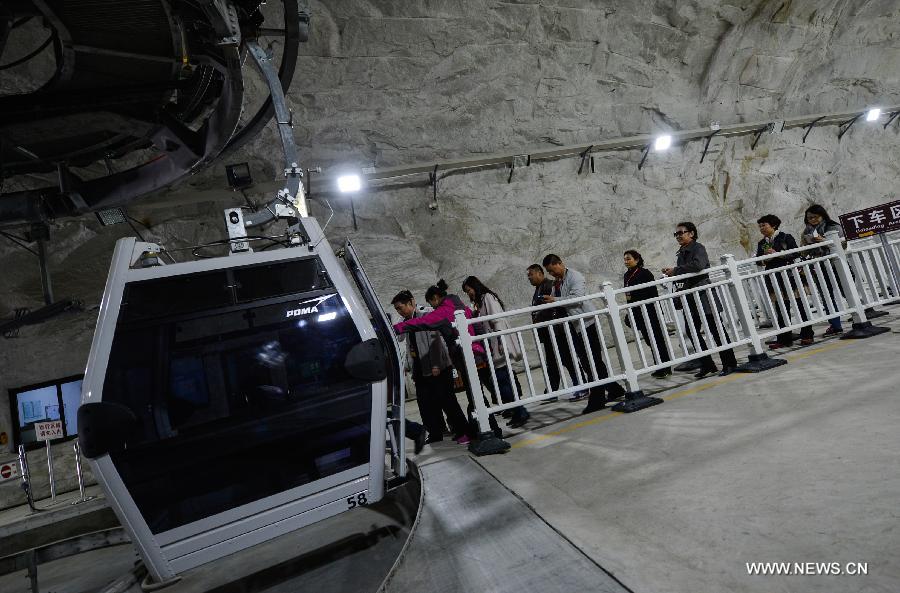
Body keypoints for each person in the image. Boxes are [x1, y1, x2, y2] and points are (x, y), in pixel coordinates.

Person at [393, 280, 503, 439]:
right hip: (473, 355)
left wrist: (397, 328)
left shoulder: (443, 310)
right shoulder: (459, 306)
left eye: (432, 302)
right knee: (476, 397)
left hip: (466, 356)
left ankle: (480, 432)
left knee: (471, 398)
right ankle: (485, 431)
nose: (433, 306)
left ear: (436, 298)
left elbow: (426, 325)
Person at [541, 254, 627, 415]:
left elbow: (577, 298)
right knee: (590, 361)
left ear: (560, 263)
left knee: (591, 361)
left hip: (586, 323)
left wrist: (555, 300)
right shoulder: (557, 282)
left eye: (553, 270)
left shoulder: (575, 276)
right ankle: (614, 389)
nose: (552, 274)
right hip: (574, 326)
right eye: (549, 272)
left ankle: (597, 398)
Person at [661, 222, 738, 378]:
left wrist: (676, 270)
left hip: (703, 295)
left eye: (682, 232)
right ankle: (707, 364)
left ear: (692, 233)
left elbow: (699, 265)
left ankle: (730, 363)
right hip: (690, 297)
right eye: (676, 234)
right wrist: (678, 294)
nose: (679, 236)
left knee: (716, 330)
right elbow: (682, 278)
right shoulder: (681, 253)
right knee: (692, 331)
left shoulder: (698, 248)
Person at [391, 290, 469, 444]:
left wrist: (435, 364)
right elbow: (404, 342)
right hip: (420, 366)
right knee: (425, 403)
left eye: (401, 307)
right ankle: (436, 432)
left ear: (411, 303)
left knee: (447, 400)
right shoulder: (407, 320)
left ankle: (463, 430)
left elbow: (435, 341)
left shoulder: (426, 315)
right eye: (397, 309)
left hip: (437, 365)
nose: (399, 311)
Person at [461, 276, 530, 428]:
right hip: (493, 345)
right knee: (503, 379)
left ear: (475, 287)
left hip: (498, 343)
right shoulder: (480, 302)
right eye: (467, 292)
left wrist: (499, 341)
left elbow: (496, 319)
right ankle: (518, 410)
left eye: (469, 290)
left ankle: (520, 410)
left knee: (501, 379)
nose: (469, 294)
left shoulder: (488, 297)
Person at [755, 215, 813, 347]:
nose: (761, 228)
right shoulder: (761, 243)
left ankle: (808, 335)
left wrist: (778, 253)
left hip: (790, 276)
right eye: (760, 226)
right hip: (774, 278)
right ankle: (784, 339)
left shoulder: (786, 237)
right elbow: (758, 260)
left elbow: (796, 253)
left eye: (764, 225)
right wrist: (765, 259)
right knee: (781, 309)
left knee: (800, 305)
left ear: (773, 225)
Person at [527, 264, 582, 398]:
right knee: (552, 362)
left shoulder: (548, 286)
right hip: (548, 332)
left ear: (540, 273)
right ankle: (552, 390)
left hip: (557, 331)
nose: (529, 278)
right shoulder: (539, 288)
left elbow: (553, 309)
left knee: (567, 359)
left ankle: (581, 384)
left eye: (531, 275)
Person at [622, 250, 672, 378]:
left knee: (657, 339)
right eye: (625, 259)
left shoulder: (645, 273)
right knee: (650, 340)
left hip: (649, 310)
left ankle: (666, 367)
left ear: (637, 260)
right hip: (637, 311)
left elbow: (652, 293)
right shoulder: (627, 275)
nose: (626, 261)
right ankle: (659, 365)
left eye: (629, 259)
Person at [800, 204, 844, 336]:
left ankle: (860, 314)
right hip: (818, 267)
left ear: (822, 215)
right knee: (826, 296)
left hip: (836, 264)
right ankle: (835, 325)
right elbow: (802, 251)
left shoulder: (833, 227)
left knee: (846, 291)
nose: (812, 220)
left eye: (815, 217)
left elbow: (842, 244)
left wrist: (824, 240)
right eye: (809, 218)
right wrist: (808, 245)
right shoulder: (806, 232)